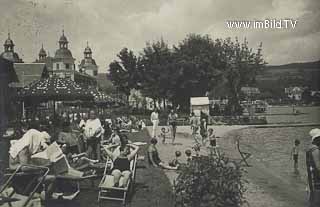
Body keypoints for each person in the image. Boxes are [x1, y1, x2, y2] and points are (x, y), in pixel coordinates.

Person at [306, 128, 320, 206]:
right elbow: (318, 166)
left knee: (312, 198)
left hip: (311, 177)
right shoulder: (315, 150)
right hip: (316, 178)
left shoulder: (310, 148)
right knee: (316, 201)